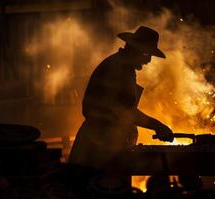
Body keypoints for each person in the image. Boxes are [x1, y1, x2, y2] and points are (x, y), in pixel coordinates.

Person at [68, 26, 174, 171]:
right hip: (98, 147)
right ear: (136, 49)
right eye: (147, 54)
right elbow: (124, 112)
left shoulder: (120, 65)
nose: (148, 60)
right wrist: (158, 126)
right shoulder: (119, 69)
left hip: (102, 144)